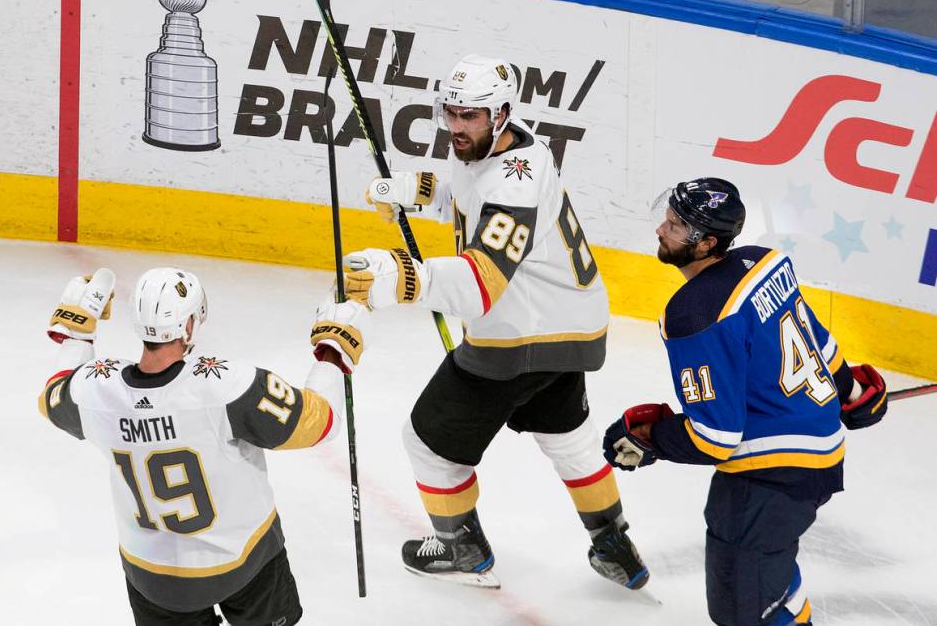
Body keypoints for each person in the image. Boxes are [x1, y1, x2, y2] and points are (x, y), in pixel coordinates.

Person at [342, 54, 648, 589]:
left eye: (471, 117)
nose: (457, 127)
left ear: (501, 113)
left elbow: (481, 282)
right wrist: (415, 189)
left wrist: (402, 277)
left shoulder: (515, 186)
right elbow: (468, 199)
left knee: (427, 442)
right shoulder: (510, 145)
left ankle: (462, 551)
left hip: (522, 336)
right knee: (568, 437)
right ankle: (614, 544)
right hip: (571, 324)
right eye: (451, 113)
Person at [603, 178, 889, 625]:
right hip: (820, 457)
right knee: (768, 582)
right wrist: (851, 391)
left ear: (706, 243)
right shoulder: (765, 264)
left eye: (676, 226)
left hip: (767, 483)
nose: (661, 230)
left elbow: (715, 436)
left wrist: (650, 437)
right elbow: (817, 339)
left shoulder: (694, 315)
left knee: (744, 612)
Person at [38, 266, 371, 625]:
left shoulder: (95, 390)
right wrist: (334, 348)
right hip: (245, 565)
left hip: (154, 579)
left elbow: (53, 396)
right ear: (188, 325)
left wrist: (76, 333)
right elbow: (318, 422)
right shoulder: (228, 385)